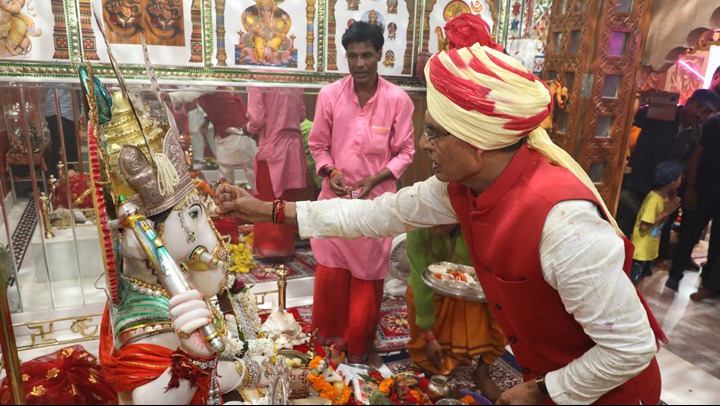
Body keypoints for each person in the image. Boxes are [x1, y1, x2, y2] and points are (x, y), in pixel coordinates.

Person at [214, 13, 668, 405]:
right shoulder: (460, 185)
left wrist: (545, 390)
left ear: (480, 144)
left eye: (435, 133)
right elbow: (372, 215)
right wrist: (269, 210)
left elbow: (629, 349)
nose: (426, 146)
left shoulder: (564, 225)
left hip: (610, 392)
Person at [306, 21, 415, 365]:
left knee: (367, 280)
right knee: (331, 275)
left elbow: (406, 152)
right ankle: (328, 348)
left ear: (380, 55)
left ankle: (357, 349)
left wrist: (375, 178)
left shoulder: (398, 100)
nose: (360, 63)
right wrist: (332, 171)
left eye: (367, 55)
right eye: (352, 56)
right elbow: (318, 145)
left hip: (375, 206)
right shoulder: (330, 95)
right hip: (335, 202)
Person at [406, 224, 505, 402]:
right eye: (429, 220)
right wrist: (428, 334)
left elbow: (494, 270)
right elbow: (420, 280)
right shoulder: (417, 226)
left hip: (476, 286)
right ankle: (429, 369)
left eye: (440, 219)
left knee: (501, 316)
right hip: (429, 286)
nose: (434, 227)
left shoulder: (477, 224)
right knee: (414, 294)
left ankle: (483, 371)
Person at [615, 89, 720, 248]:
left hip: (661, 192)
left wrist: (674, 177)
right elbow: (627, 117)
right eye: (698, 107)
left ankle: (641, 265)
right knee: (623, 229)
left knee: (649, 234)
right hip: (636, 185)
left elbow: (687, 161)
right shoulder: (662, 114)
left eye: (706, 112)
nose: (700, 114)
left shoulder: (697, 133)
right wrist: (641, 101)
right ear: (689, 101)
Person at [245, 86, 307, 260]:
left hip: (272, 148)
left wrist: (249, 127)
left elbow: (256, 119)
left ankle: (269, 247)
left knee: (269, 201)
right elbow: (302, 114)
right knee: (286, 200)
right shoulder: (293, 77)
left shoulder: (258, 78)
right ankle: (284, 247)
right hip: (293, 147)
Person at [667, 109, 720, 291]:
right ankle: (675, 274)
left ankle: (707, 282)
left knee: (717, 242)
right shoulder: (715, 122)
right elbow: (696, 156)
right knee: (690, 233)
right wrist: (690, 187)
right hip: (704, 190)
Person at [169, 88, 256, 189]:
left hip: (237, 132)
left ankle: (256, 198)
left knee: (249, 170)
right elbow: (215, 103)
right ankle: (227, 196)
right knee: (226, 173)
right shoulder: (210, 83)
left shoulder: (208, 80)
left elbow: (190, 93)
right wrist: (206, 121)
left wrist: (166, 96)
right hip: (224, 133)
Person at [629, 160, 683, 285]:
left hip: (649, 250)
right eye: (680, 178)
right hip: (640, 251)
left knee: (642, 278)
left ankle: (639, 303)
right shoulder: (653, 199)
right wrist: (665, 212)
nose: (682, 181)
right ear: (672, 182)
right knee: (632, 282)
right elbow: (644, 226)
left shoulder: (664, 198)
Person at [45, 87, 79, 177]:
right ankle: (58, 177)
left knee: (71, 144)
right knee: (58, 145)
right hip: (55, 109)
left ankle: (71, 173)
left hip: (70, 109)